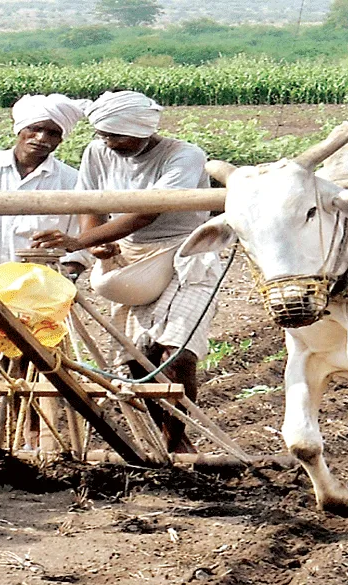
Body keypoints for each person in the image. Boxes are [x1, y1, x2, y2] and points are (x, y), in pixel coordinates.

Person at [32, 90, 221, 453]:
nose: (109, 142)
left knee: (176, 351)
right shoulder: (97, 152)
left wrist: (79, 240)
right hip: (129, 255)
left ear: (143, 130)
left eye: (117, 135)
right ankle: (160, 434)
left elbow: (149, 210)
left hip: (184, 252)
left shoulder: (183, 155)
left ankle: (177, 438)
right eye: (103, 134)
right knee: (136, 358)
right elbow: (91, 201)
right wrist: (95, 242)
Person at [0, 93, 92, 276]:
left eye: (53, 133)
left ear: (61, 139)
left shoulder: (72, 180)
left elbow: (79, 242)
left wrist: (63, 281)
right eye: (35, 128)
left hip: (37, 288)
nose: (42, 138)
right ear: (20, 129)